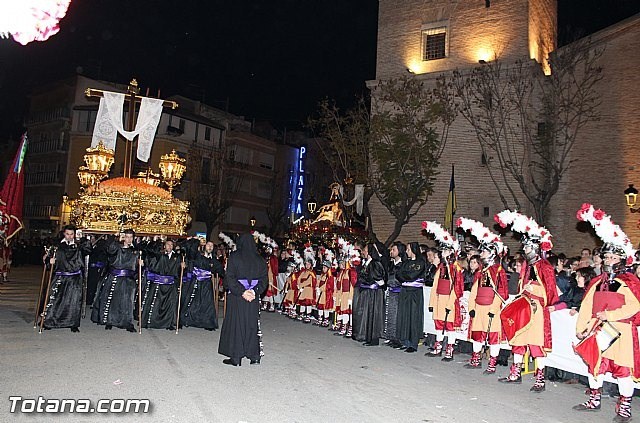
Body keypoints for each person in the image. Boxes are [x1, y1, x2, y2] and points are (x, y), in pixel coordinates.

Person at [573, 204, 640, 422]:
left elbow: (635, 306)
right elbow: (586, 307)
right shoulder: (596, 282)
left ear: (621, 260)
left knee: (622, 371)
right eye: (607, 258)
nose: (609, 261)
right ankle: (594, 399)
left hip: (620, 331)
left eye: (613, 258)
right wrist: (581, 329)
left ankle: (624, 407)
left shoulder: (627, 282)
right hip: (598, 331)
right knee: (596, 366)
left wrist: (609, 316)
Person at [495, 211, 558, 392]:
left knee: (536, 344)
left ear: (535, 248)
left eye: (527, 248)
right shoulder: (525, 266)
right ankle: (515, 373)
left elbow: (550, 290)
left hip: (537, 310)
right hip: (524, 306)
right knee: (518, 339)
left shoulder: (544, 266)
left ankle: (540, 379)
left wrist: (535, 290)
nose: (524, 251)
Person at [218, 233, 268, 366]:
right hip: (253, 297)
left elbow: (230, 278)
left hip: (238, 296)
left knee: (237, 325)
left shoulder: (234, 257)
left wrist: (242, 291)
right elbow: (264, 280)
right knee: (252, 324)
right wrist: (254, 291)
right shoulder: (260, 260)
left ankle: (236, 357)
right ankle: (254, 356)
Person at [41, 225, 92, 332]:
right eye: (67, 234)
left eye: (71, 234)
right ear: (64, 234)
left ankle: (72, 323)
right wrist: (49, 261)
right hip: (60, 276)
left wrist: (82, 238)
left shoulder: (79, 246)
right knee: (55, 298)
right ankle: (49, 321)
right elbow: (47, 258)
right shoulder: (57, 246)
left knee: (73, 301)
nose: (69, 236)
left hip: (74, 278)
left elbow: (88, 249)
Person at [91, 230, 141, 332]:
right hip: (115, 277)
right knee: (113, 299)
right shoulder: (117, 248)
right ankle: (110, 321)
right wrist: (115, 238)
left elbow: (137, 266)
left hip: (128, 279)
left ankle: (127, 323)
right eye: (127, 237)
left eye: (131, 237)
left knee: (127, 302)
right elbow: (109, 250)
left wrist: (141, 263)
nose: (129, 239)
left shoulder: (136, 251)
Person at [180, 239, 224, 330]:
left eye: (212, 246)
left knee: (207, 303)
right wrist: (196, 241)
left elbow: (220, 271)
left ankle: (207, 323)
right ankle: (185, 320)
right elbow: (190, 250)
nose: (210, 247)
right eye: (208, 245)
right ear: (204, 246)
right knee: (190, 300)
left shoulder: (214, 260)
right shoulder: (198, 256)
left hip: (206, 284)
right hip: (195, 282)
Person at [141, 239, 183, 330]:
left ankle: (169, 323)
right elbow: (151, 253)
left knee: (170, 304)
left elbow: (179, 271)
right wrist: (157, 240)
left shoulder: (177, 257)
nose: (170, 246)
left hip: (170, 283)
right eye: (168, 244)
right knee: (156, 303)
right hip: (159, 283)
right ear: (164, 246)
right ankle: (151, 322)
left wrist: (182, 266)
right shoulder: (159, 255)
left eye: (171, 245)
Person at [352, 243, 386, 346]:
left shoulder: (375, 263)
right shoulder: (366, 263)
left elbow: (378, 277)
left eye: (365, 250)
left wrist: (377, 286)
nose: (363, 252)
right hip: (366, 292)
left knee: (372, 314)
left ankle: (373, 339)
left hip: (373, 293)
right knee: (365, 314)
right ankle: (365, 335)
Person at [396, 242, 426, 353]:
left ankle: (413, 344)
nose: (407, 251)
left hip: (414, 293)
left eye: (408, 249)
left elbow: (412, 275)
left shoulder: (420, 262)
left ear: (413, 250)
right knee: (404, 316)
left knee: (413, 316)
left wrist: (406, 276)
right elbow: (398, 274)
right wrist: (406, 277)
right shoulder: (406, 262)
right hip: (405, 291)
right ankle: (405, 341)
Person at [385, 242, 405, 348]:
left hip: (399, 293)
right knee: (391, 315)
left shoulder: (403, 264)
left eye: (394, 250)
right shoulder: (391, 263)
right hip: (391, 291)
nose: (391, 252)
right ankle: (391, 337)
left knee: (398, 316)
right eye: (391, 249)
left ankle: (398, 339)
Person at [332, 257, 358, 337]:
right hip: (342, 295)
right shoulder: (341, 273)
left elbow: (352, 286)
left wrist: (350, 297)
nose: (341, 265)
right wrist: (336, 295)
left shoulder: (351, 272)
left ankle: (350, 329)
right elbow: (338, 286)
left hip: (348, 295)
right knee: (343, 312)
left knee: (349, 313)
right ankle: (343, 327)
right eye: (340, 264)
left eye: (343, 263)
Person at [296, 258, 317, 323]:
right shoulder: (303, 272)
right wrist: (299, 285)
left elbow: (309, 281)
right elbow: (299, 278)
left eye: (309, 264)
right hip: (303, 289)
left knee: (308, 303)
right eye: (306, 264)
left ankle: (308, 315)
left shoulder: (312, 273)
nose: (307, 266)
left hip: (308, 290)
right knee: (302, 302)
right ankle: (302, 314)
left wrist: (301, 285)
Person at [315, 260, 335, 327]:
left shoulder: (330, 276)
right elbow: (318, 281)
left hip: (326, 294)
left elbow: (328, 285)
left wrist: (320, 289)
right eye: (323, 267)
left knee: (325, 307)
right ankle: (320, 319)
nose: (323, 269)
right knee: (320, 306)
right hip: (320, 293)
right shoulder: (322, 275)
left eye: (325, 268)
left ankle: (326, 320)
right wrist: (317, 287)